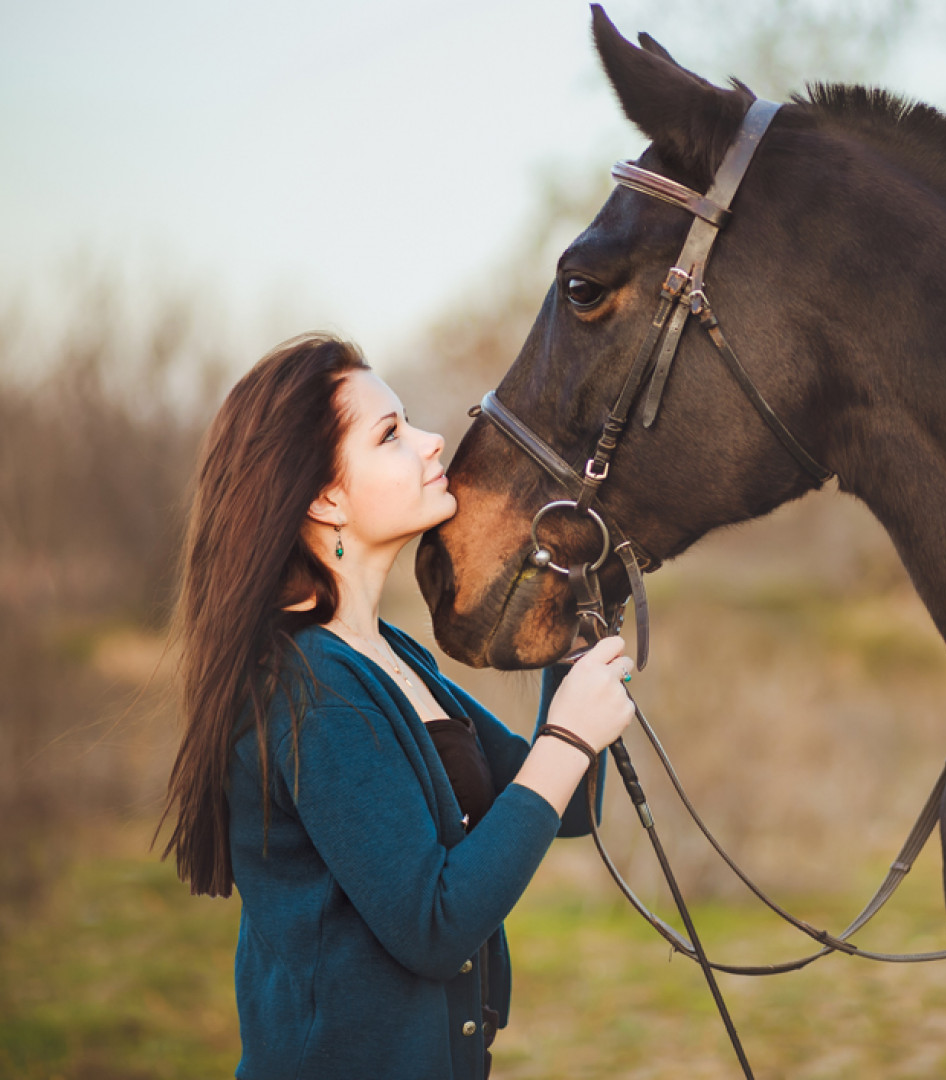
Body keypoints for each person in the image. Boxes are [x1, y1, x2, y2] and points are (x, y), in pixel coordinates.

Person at [157, 333, 635, 1079]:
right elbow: (435, 924)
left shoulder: (384, 653)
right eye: (390, 434)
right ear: (325, 497)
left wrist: (574, 616)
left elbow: (559, 805)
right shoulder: (312, 692)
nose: (430, 440)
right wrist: (569, 738)